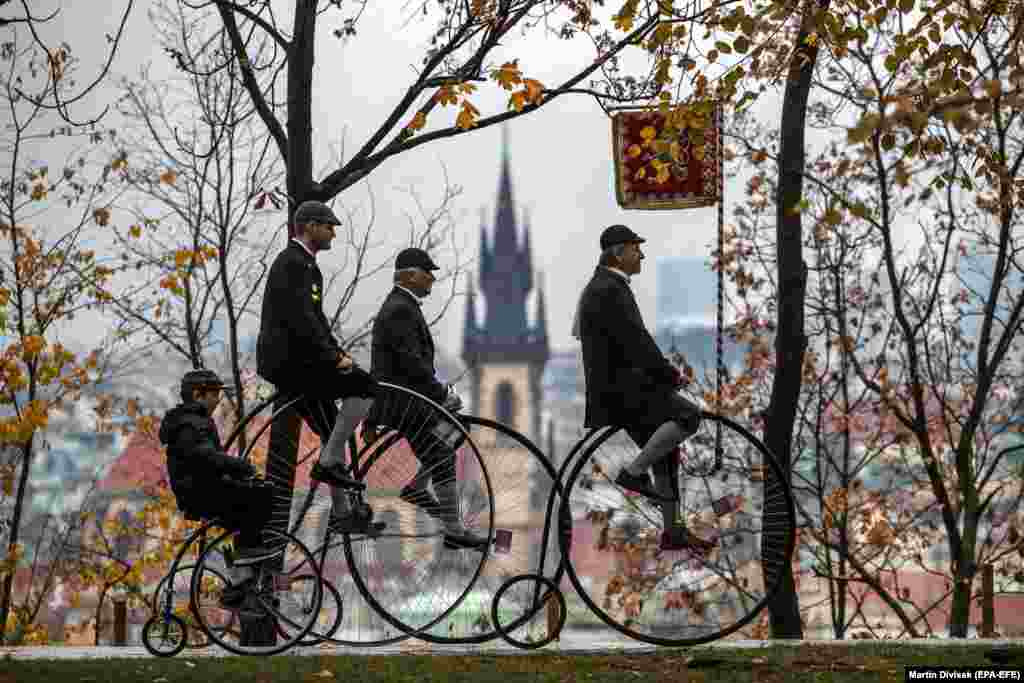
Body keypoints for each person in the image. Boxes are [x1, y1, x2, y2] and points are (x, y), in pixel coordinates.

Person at [573, 224, 716, 553]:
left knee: (665, 453)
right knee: (689, 416)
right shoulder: (609, 288)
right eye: (636, 248)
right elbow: (636, 340)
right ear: (618, 252)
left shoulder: (603, 286)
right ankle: (634, 473)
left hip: (619, 388)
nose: (642, 255)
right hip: (627, 389)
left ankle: (673, 531)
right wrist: (667, 374)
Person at [257, 200, 382, 535]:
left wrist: (336, 351)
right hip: (292, 362)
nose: (333, 234)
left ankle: (342, 513)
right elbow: (302, 319)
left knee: (332, 431)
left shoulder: (305, 265)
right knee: (366, 386)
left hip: (298, 360)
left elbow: (316, 320)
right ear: (310, 226)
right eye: (329, 226)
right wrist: (332, 358)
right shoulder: (293, 263)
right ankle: (328, 465)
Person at [368, 247, 487, 549]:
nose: (433, 278)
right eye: (427, 272)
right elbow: (410, 363)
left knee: (456, 429)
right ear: (410, 275)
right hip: (403, 402)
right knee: (441, 453)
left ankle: (418, 487)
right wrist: (442, 393)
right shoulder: (400, 309)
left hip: (407, 399)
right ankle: (454, 529)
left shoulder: (403, 306)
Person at [159, 369, 276, 607]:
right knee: (258, 497)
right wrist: (240, 467)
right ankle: (246, 558)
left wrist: (234, 472)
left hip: (200, 488)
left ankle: (239, 582)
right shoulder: (190, 424)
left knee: (242, 509)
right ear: (198, 394)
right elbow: (206, 457)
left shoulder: (192, 421)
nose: (217, 399)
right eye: (213, 394)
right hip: (200, 491)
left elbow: (209, 459)